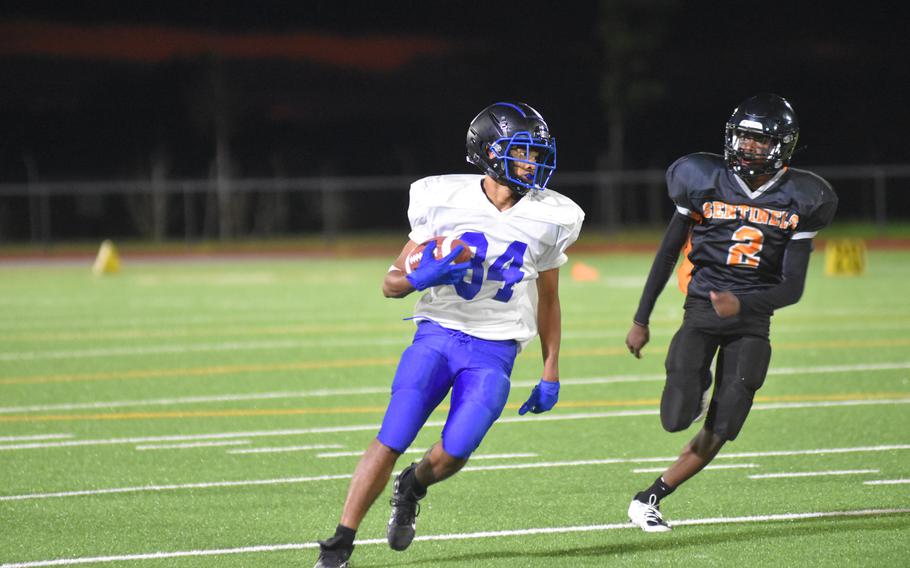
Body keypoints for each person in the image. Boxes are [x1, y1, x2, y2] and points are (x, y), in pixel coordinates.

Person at [314, 101, 585, 567]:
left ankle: (413, 484)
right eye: (521, 152)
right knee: (393, 432)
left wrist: (550, 369)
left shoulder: (554, 216)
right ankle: (339, 544)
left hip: (495, 350)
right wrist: (425, 275)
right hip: (438, 335)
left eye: (536, 152)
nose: (532, 162)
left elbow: (550, 298)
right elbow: (391, 284)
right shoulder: (441, 199)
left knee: (458, 448)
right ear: (487, 152)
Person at [623, 93, 837, 532]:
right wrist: (641, 319)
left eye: (759, 141)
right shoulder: (703, 179)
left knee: (726, 422)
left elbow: (792, 288)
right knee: (676, 417)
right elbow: (666, 256)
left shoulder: (803, 197)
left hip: (753, 321)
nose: (748, 147)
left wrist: (745, 304)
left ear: (782, 145)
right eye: (743, 137)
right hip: (701, 310)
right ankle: (696, 383)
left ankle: (650, 498)